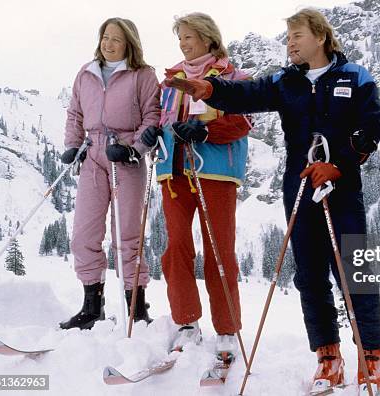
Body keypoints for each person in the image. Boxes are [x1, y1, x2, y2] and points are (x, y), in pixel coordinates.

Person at [164, 8, 380, 393]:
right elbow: (247, 93)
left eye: (296, 36)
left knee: (352, 269)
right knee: (309, 272)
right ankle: (327, 356)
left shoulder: (355, 77)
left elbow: (370, 129)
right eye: (287, 38)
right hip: (299, 183)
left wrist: (339, 164)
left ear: (320, 36)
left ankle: (372, 355)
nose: (290, 44)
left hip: (340, 184)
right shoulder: (286, 81)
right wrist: (211, 90)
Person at [139, 12, 251, 354]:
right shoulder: (170, 79)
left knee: (219, 250)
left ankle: (227, 329)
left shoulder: (233, 77)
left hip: (214, 171)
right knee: (176, 249)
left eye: (189, 37)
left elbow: (243, 121)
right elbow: (160, 117)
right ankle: (186, 321)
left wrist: (206, 129)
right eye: (180, 39)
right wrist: (152, 131)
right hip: (173, 171)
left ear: (207, 38)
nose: (184, 44)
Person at [60, 17, 160, 330]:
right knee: (84, 234)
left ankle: (136, 308)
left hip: (125, 158)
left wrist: (134, 150)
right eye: (105, 37)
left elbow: (152, 117)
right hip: (92, 155)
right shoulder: (86, 73)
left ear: (129, 43)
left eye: (116, 38)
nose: (109, 43)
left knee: (127, 236)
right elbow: (75, 113)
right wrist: (72, 145)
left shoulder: (143, 75)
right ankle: (92, 307)